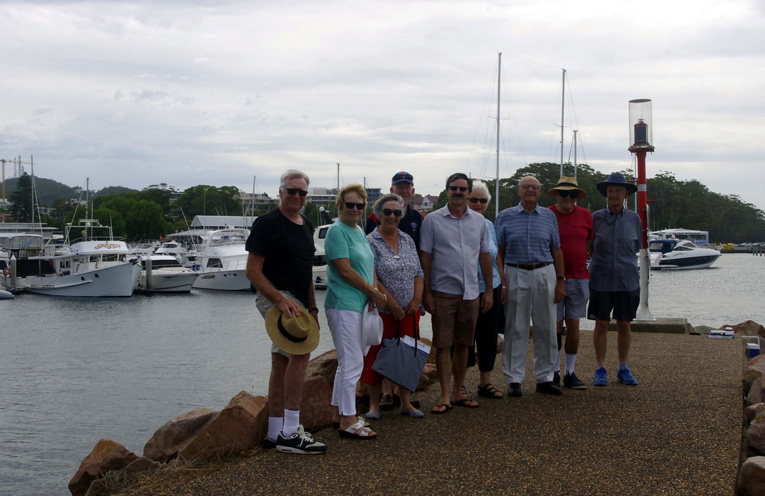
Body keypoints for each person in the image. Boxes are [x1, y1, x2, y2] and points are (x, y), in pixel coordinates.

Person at [245, 169, 327, 454]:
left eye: (301, 192)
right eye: (290, 190)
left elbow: (306, 272)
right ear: (280, 192)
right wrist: (279, 300)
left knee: (281, 361)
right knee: (301, 353)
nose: (295, 196)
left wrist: (313, 307)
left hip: (300, 300)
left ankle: (274, 430)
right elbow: (253, 271)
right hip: (275, 296)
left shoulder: (306, 224)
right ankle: (292, 432)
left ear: (306, 197)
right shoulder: (266, 223)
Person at [420, 173, 494, 414]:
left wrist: (489, 290)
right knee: (443, 345)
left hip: (471, 292)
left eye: (463, 189)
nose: (458, 192)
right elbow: (426, 257)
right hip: (443, 291)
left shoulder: (479, 222)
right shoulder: (432, 220)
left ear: (468, 191)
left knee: (464, 344)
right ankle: (443, 395)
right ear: (447, 190)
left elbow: (484, 257)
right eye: (454, 188)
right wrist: (427, 292)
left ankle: (459, 391)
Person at [325, 184, 387, 439]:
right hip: (343, 304)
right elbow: (345, 270)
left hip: (361, 304)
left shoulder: (359, 230)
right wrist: (373, 292)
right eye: (349, 204)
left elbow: (368, 265)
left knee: (348, 361)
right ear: (339, 206)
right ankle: (349, 420)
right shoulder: (336, 232)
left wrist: (372, 291)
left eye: (359, 205)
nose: (354, 209)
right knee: (352, 362)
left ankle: (338, 413)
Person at [496, 175, 566, 397]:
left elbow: (556, 249)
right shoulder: (504, 216)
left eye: (534, 187)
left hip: (545, 271)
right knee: (516, 328)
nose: (530, 190)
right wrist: (503, 282)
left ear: (539, 192)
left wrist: (561, 280)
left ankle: (545, 378)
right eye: (525, 187)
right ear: (518, 191)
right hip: (515, 271)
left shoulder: (549, 216)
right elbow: (499, 251)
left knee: (546, 327)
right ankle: (514, 379)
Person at [364, 171, 424, 409]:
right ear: (379, 214)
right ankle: (377, 402)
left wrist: (417, 299)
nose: (392, 216)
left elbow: (419, 270)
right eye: (387, 212)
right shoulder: (370, 240)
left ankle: (405, 401)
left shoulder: (409, 237)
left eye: (396, 213)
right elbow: (371, 274)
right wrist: (391, 304)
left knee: (406, 355)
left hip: (410, 310)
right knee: (378, 354)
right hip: (383, 309)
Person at [588, 173, 642, 386]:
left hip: (627, 280)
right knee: (601, 324)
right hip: (601, 279)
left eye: (618, 191)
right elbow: (590, 246)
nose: (613, 195)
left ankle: (623, 368)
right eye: (610, 191)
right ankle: (600, 368)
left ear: (625, 194)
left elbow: (635, 246)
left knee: (624, 324)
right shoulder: (596, 218)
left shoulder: (634, 219)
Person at [548, 176, 593, 390]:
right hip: (553, 278)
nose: (568, 198)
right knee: (555, 327)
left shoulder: (586, 216)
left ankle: (570, 372)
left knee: (574, 326)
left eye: (572, 194)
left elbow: (591, 244)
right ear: (556, 194)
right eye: (563, 193)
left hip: (579, 278)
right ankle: (554, 371)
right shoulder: (547, 215)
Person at [467, 180, 506, 399]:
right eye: (474, 199)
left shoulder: (489, 224)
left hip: (492, 287)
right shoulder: (460, 224)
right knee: (464, 338)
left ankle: (485, 382)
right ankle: (459, 385)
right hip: (466, 289)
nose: (478, 204)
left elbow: (496, 256)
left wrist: (503, 284)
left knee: (489, 336)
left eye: (482, 200)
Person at [365, 171, 424, 249]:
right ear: (391, 190)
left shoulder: (419, 217)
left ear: (412, 191)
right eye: (400, 187)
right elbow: (366, 244)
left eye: (407, 187)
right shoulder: (376, 216)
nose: (404, 191)